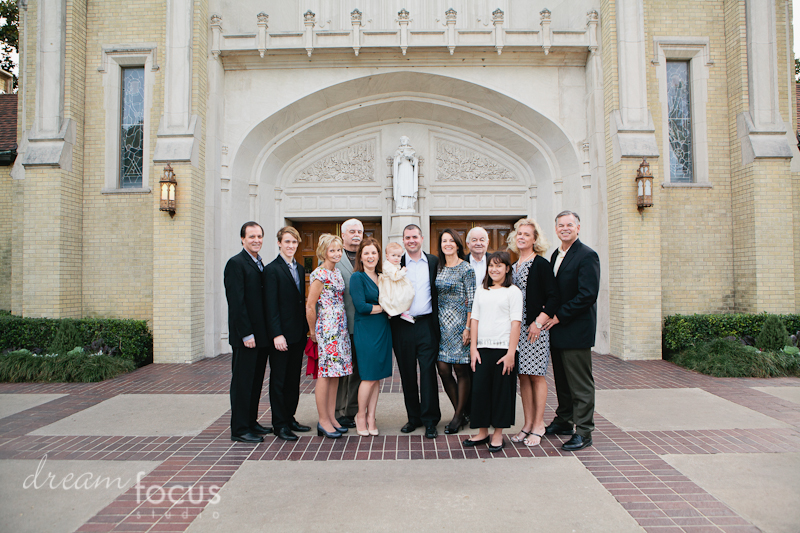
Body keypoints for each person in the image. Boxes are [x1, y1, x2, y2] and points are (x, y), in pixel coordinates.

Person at [542, 210, 600, 451]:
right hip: (558, 330)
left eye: (569, 225)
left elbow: (587, 295)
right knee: (563, 381)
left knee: (580, 383)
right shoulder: (556, 254)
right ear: (556, 229)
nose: (565, 228)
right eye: (561, 225)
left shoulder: (587, 255)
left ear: (578, 228)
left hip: (576, 329)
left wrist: (558, 316)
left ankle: (584, 431)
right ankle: (564, 420)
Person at [463, 252, 522, 453]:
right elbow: (475, 319)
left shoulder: (513, 291)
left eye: (499, 265)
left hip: (504, 350)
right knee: (480, 392)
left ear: (507, 268)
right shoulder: (482, 290)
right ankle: (482, 432)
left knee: (501, 393)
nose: (494, 269)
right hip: (482, 349)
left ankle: (497, 434)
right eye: (491, 265)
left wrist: (511, 353)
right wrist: (473, 349)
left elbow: (516, 323)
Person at [508, 217, 559, 447]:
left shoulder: (541, 264)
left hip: (535, 331)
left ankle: (539, 424)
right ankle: (527, 424)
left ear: (535, 239)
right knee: (523, 377)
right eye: (519, 233)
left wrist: (538, 322)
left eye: (527, 234)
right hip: (518, 332)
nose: (522, 237)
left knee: (536, 375)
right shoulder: (513, 266)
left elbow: (553, 296)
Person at [390, 224, 441, 439]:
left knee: (428, 372)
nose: (411, 240)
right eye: (407, 237)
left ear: (422, 238)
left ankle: (430, 420)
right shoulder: (396, 264)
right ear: (403, 240)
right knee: (407, 373)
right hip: (402, 325)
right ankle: (413, 418)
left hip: (426, 323)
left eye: (414, 237)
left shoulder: (433, 262)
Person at [224, 221, 272, 443]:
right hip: (247, 337)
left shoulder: (259, 262)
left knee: (255, 382)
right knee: (243, 383)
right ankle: (240, 429)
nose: (256, 240)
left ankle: (251, 422)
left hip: (260, 336)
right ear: (242, 239)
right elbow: (237, 303)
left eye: (259, 236)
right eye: (251, 236)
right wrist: (246, 334)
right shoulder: (236, 264)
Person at [264, 226, 312, 441]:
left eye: (294, 242)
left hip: (297, 334)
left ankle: (290, 417)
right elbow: (271, 305)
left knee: (293, 379)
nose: (291, 246)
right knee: (279, 380)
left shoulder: (300, 268)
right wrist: (276, 334)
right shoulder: (271, 270)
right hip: (281, 336)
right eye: (287, 242)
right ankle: (279, 424)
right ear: (279, 243)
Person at [306, 234, 354, 439]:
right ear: (323, 252)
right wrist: (313, 332)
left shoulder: (336, 273)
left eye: (338, 250)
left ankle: (333, 417)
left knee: (337, 374)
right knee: (325, 375)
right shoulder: (320, 274)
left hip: (340, 327)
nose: (336, 253)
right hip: (326, 329)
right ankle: (323, 420)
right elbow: (310, 305)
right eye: (332, 250)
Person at [349, 237, 393, 436]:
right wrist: (383, 307)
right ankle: (360, 416)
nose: (370, 256)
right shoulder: (357, 277)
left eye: (373, 253)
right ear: (361, 256)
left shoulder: (382, 276)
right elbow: (361, 307)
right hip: (365, 330)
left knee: (377, 377)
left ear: (378, 256)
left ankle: (371, 417)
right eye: (366, 253)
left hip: (382, 328)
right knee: (367, 376)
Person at [435, 229, 476, 435]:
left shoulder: (466, 269)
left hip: (461, 326)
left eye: (451, 240)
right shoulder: (439, 268)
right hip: (441, 326)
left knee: (461, 370)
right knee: (443, 368)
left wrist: (468, 327)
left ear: (458, 245)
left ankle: (458, 416)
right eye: (444, 241)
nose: (448, 244)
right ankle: (462, 411)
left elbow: (472, 300)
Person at [335, 218, 363, 429]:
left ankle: (352, 410)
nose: (356, 234)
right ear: (343, 234)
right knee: (340, 371)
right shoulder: (334, 257)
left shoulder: (368, 256)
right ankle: (336, 411)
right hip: (339, 325)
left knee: (357, 371)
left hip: (363, 325)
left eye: (359, 231)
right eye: (351, 231)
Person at [378, 241, 415, 322]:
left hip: (394, 284)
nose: (396, 258)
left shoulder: (393, 264)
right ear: (387, 256)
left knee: (406, 294)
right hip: (391, 285)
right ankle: (401, 312)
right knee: (399, 296)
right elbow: (394, 276)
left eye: (398, 256)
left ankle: (401, 311)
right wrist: (403, 271)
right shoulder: (388, 265)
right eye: (393, 255)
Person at [392, 136, 419, 213]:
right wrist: (400, 157)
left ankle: (408, 205)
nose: (403, 141)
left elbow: (415, 161)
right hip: (401, 171)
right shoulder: (398, 151)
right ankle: (400, 205)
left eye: (405, 140)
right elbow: (395, 161)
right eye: (402, 140)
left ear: (408, 141)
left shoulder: (412, 151)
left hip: (409, 171)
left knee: (409, 188)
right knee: (400, 187)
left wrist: (410, 158)